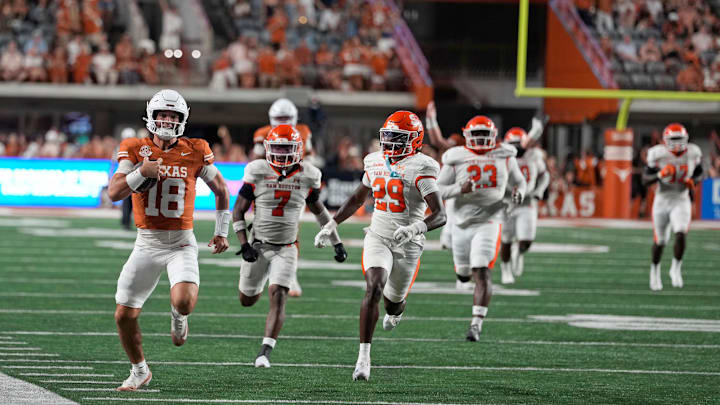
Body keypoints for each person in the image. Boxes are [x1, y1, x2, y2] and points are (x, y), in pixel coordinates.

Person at [107, 89, 231, 391]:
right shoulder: (134, 148)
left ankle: (178, 315)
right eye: (163, 114)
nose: (167, 120)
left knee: (184, 302)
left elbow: (221, 189)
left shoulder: (196, 149)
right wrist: (140, 174)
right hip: (147, 242)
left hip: (181, 242)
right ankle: (139, 370)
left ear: (183, 119)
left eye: (173, 116)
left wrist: (222, 230)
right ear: (151, 116)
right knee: (124, 314)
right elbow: (114, 192)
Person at [314, 110, 446, 381]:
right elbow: (357, 198)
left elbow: (440, 214)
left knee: (392, 303)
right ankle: (363, 358)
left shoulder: (422, 166)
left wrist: (415, 227)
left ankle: (398, 309)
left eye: (398, 138)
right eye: (388, 137)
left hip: (409, 244)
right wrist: (332, 224)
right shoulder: (374, 161)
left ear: (414, 140)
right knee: (373, 286)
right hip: (378, 236)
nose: (390, 143)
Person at [232, 124, 347, 368]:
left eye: (287, 148)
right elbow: (238, 211)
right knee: (247, 300)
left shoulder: (309, 175)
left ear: (298, 150)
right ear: (268, 148)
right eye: (278, 147)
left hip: (287, 247)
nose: (282, 153)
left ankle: (264, 351)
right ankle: (262, 278)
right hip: (259, 245)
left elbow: (320, 211)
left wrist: (337, 242)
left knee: (279, 295)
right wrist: (244, 245)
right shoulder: (257, 171)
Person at [437, 116, 526, 342]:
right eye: (475, 134)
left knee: (482, 269)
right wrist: (459, 188)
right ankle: (465, 279)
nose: (479, 139)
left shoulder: (505, 155)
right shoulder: (455, 157)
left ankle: (476, 323)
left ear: (493, 136)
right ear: (467, 135)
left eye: (483, 135)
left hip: (489, 219)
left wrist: (520, 192)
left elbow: (520, 181)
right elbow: (437, 190)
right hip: (460, 222)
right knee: (464, 273)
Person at [250, 98, 315, 297]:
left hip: (293, 183)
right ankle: (263, 268)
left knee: (292, 229)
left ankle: (289, 274)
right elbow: (257, 162)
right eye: (279, 118)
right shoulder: (262, 133)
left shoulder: (303, 131)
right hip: (269, 185)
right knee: (262, 228)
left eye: (286, 118)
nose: (283, 121)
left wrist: (306, 177)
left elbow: (310, 157)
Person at [642, 123, 703, 291]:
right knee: (660, 241)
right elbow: (645, 180)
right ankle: (655, 270)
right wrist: (659, 175)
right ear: (665, 140)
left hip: (681, 199)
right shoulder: (657, 154)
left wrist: (694, 181)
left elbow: (699, 172)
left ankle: (676, 268)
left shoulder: (693, 152)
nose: (676, 143)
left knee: (681, 233)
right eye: (673, 139)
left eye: (679, 139)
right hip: (662, 199)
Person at [424, 101, 470, 289]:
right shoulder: (457, 146)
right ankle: (448, 241)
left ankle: (448, 241)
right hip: (455, 190)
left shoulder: (474, 151)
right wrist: (431, 120)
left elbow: (439, 142)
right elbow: (439, 142)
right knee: (452, 219)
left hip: (469, 194)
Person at [499, 123, 549, 284]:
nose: (516, 148)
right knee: (506, 239)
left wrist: (539, 190)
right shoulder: (502, 157)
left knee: (526, 241)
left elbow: (544, 175)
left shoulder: (534, 155)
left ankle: (519, 252)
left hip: (527, 201)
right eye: (512, 145)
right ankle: (505, 269)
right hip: (508, 202)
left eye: (518, 144)